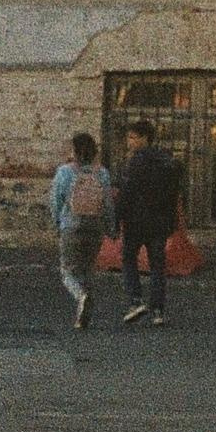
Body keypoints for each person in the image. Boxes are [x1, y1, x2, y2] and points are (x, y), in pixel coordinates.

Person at [115, 120, 183, 325]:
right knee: (157, 266)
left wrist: (117, 217)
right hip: (160, 221)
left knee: (128, 259)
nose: (129, 142)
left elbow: (127, 192)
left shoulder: (136, 162)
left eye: (133, 137)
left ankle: (136, 301)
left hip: (136, 221)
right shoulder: (168, 161)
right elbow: (174, 193)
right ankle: (158, 311)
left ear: (145, 138)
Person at [50, 131, 112, 331]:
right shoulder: (102, 173)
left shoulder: (65, 172)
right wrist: (111, 227)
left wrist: (58, 223)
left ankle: (81, 296)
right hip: (95, 227)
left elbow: (55, 201)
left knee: (67, 271)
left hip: (71, 225)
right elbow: (108, 203)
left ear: (74, 151)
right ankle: (83, 316)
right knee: (87, 268)